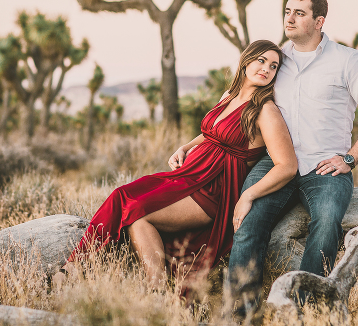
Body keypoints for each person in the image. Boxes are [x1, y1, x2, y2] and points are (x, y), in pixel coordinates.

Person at [53, 40, 299, 292]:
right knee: (123, 198)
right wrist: (185, 147)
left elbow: (287, 166)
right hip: (188, 176)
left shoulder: (265, 110)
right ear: (246, 61)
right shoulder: (229, 96)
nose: (266, 69)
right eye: (261, 61)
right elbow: (212, 134)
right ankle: (130, 282)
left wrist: (248, 195)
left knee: (138, 210)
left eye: (274, 66)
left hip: (212, 190)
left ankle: (97, 276)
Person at [226, 0, 358, 317]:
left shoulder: (347, 60)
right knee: (247, 223)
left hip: (326, 166)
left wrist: (350, 158)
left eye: (299, 13)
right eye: (287, 11)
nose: (289, 18)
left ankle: (302, 310)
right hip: (277, 162)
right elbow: (238, 96)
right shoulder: (276, 61)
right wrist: (193, 145)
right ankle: (241, 316)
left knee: (327, 221)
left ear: (319, 21)